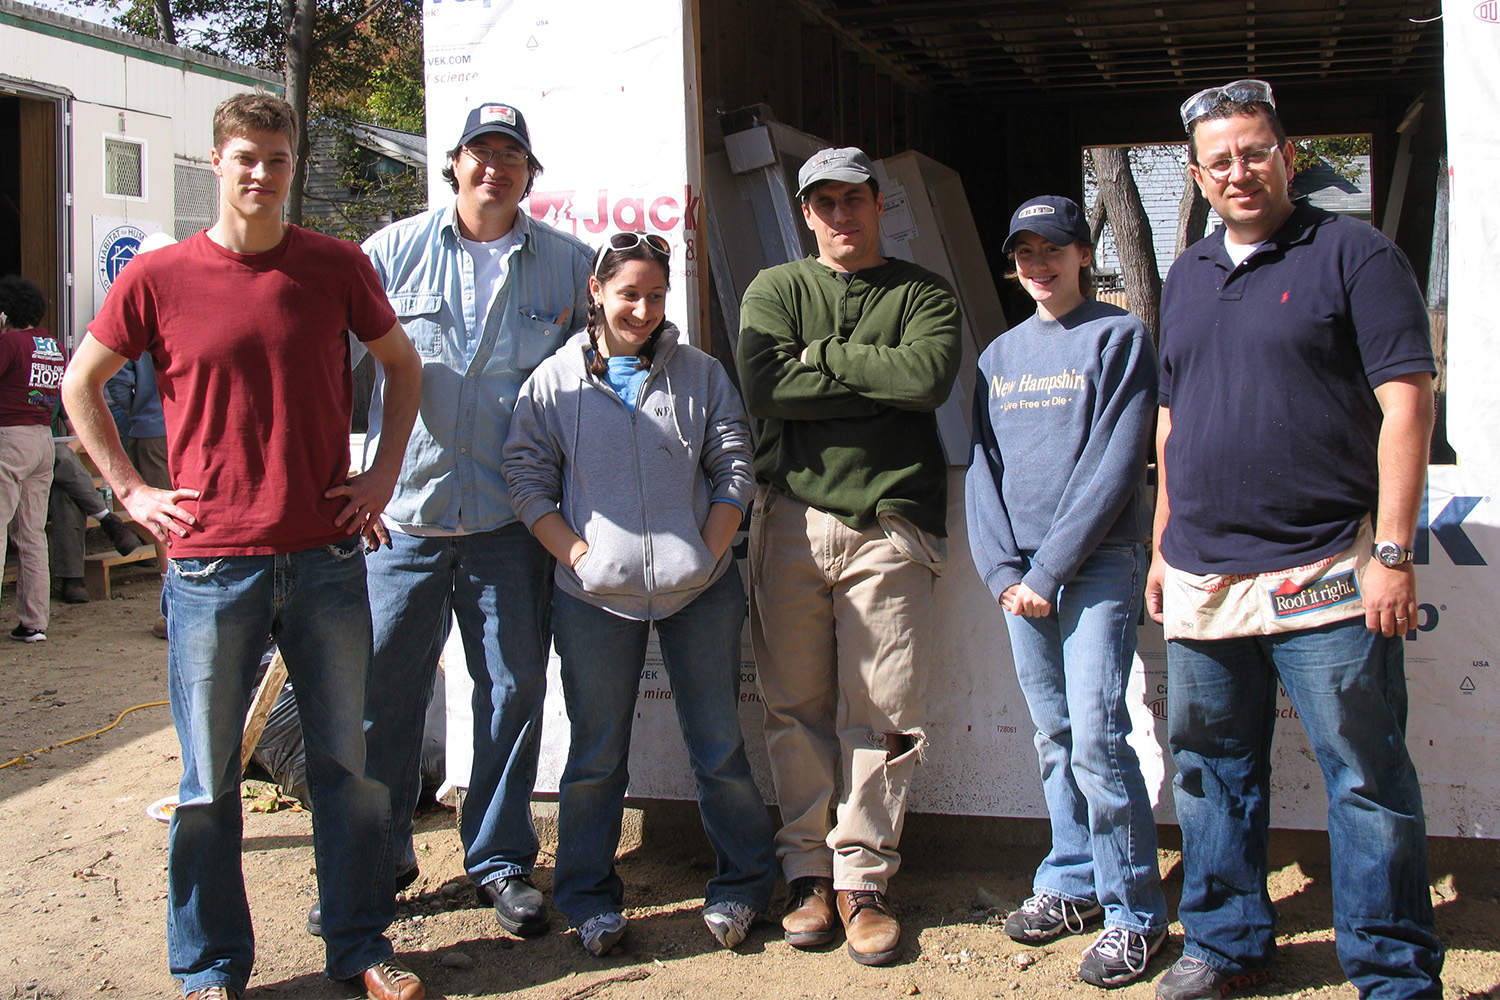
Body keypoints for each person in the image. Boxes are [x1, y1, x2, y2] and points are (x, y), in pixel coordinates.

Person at [61, 93, 425, 1000]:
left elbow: (403, 365)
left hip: (328, 557)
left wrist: (381, 475)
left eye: (277, 157)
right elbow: (81, 384)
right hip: (209, 563)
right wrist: (133, 492)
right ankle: (210, 966)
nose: (261, 173)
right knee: (206, 780)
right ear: (216, 162)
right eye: (245, 157)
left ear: (292, 165)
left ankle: (359, 945)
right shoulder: (159, 277)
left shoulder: (335, 267)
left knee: (348, 768)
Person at [1145, 79, 1444, 1000]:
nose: (1240, 171)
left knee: (1364, 776)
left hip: (1327, 566)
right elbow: (1170, 418)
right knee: (1208, 773)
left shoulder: (1355, 251)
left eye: (1255, 150)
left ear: (1287, 152)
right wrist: (1161, 546)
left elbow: (1408, 404)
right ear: (1196, 176)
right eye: (1220, 159)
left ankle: (1391, 969)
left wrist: (1392, 553)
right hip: (1203, 574)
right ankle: (1227, 944)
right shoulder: (1188, 273)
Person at [352, 101, 592, 941]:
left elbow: (602, 383)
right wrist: (346, 480)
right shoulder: (389, 253)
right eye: (479, 152)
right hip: (404, 520)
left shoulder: (569, 265)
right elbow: (333, 371)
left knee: (513, 689)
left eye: (511, 155)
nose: (495, 167)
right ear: (452, 162)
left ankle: (497, 860)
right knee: (383, 692)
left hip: (510, 524)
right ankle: (375, 863)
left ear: (530, 172)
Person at [503, 232, 777, 957]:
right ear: (596, 292)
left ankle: (745, 885)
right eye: (629, 294)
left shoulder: (702, 374)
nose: (644, 309)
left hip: (702, 593)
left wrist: (707, 548)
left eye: (656, 295)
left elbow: (736, 465)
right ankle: (589, 898)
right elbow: (525, 475)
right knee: (594, 756)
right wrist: (580, 555)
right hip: (593, 598)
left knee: (719, 747)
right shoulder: (555, 381)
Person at [735, 146, 961, 967]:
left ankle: (862, 879)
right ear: (806, 212)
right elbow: (765, 388)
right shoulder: (776, 289)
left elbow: (927, 377)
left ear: (877, 203)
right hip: (790, 518)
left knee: (882, 713)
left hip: (890, 524)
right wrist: (873, 379)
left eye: (854, 199)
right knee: (793, 704)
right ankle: (806, 876)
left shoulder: (923, 292)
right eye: (823, 202)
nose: (841, 215)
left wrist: (821, 356)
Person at [966, 195, 1166, 987]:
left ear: (1084, 253)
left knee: (1098, 739)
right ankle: (1073, 881)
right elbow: (982, 470)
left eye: (1054, 248)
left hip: (1097, 566)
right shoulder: (998, 356)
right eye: (1024, 252)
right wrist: (1005, 574)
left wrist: (1047, 571)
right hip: (1023, 583)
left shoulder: (1120, 336)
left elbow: (1118, 462)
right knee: (1054, 738)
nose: (1038, 263)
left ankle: (1134, 914)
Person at [0, 274, 65, 642]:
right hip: (44, 440)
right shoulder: (53, 345)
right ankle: (34, 621)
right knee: (32, 534)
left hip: (9, 438)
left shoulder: (10, 344)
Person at [48, 436, 141, 604]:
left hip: (50, 467)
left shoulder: (59, 407)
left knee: (65, 491)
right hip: (20, 459)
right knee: (60, 454)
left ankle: (72, 578)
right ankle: (106, 518)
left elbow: (76, 428)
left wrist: (71, 447)